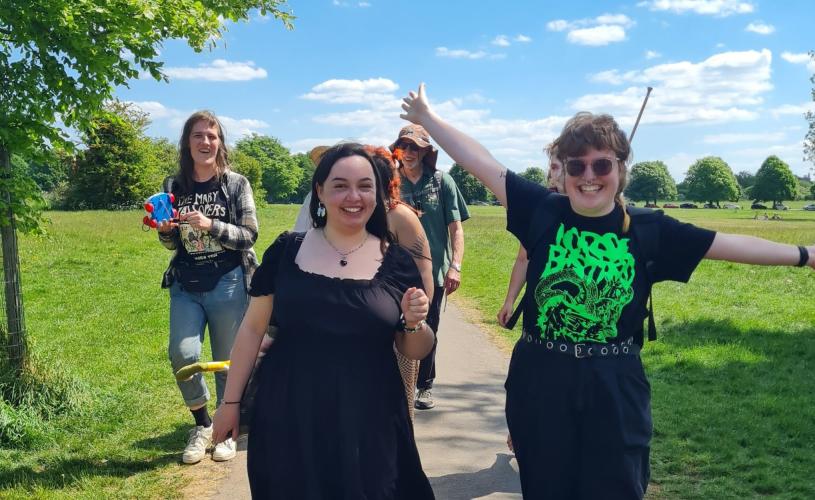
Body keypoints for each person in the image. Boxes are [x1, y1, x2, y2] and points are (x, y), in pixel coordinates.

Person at [400, 83, 814, 499]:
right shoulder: (542, 209)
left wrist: (805, 254)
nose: (589, 177)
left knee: (615, 487)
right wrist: (428, 119)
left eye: (601, 165)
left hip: (614, 382)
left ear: (620, 168)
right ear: (563, 169)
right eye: (576, 166)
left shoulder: (650, 229)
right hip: (541, 376)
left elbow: (727, 244)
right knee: (546, 486)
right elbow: (481, 163)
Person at [212, 143, 436, 499]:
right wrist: (230, 404)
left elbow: (415, 347)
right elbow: (252, 329)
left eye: (365, 186)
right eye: (340, 185)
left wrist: (413, 322)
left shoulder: (396, 262)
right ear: (319, 191)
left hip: (370, 417)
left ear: (378, 194)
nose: (354, 196)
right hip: (290, 413)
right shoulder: (287, 250)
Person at [156, 111, 259, 464]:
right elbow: (172, 244)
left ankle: (227, 430)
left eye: (212, 136)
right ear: (188, 142)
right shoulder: (174, 185)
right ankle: (201, 425)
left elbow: (249, 235)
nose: (205, 142)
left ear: (220, 143)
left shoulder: (236, 184)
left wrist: (212, 224)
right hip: (186, 282)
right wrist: (167, 231)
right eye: (198, 136)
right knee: (182, 354)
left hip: (228, 282)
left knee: (228, 361)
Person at [391, 124, 470, 410]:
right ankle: (398, 383)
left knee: (425, 328)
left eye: (415, 147)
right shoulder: (391, 182)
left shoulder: (441, 181)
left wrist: (455, 266)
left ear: (425, 152)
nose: (408, 152)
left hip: (433, 272)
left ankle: (424, 385)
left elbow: (456, 229)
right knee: (392, 328)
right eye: (403, 146)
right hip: (394, 273)